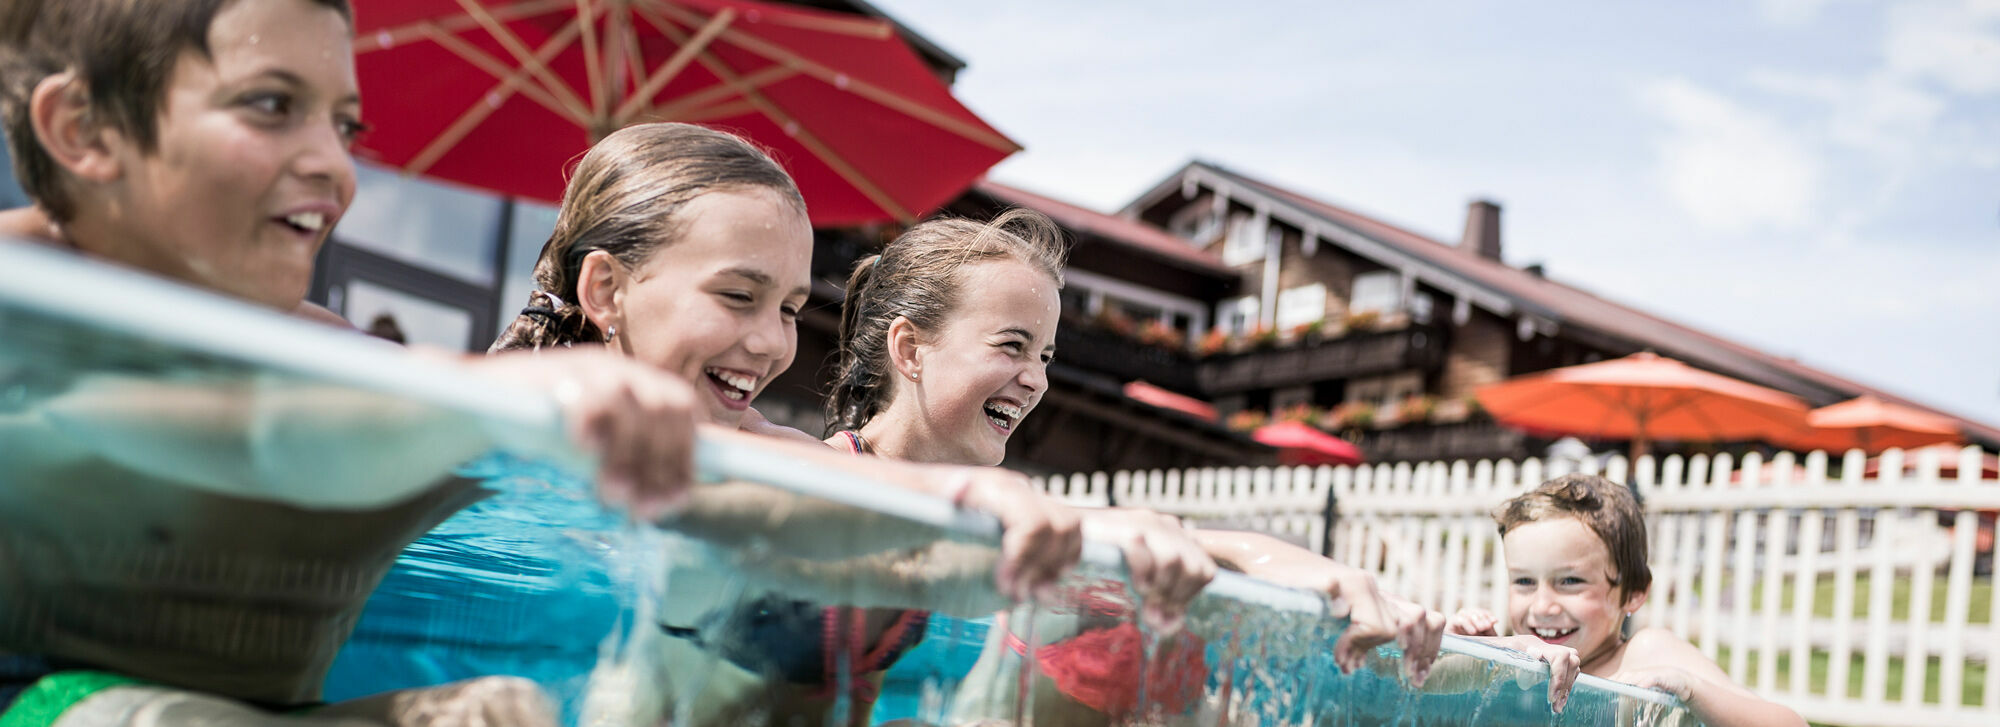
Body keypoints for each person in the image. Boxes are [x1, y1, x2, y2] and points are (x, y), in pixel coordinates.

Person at [329, 123, 1092, 727]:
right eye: (737, 296)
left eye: (790, 309)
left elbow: (900, 518)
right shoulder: (471, 425)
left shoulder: (770, 454)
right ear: (607, 288)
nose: (770, 342)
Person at [827, 210, 1445, 726]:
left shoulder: (1009, 518)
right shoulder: (810, 477)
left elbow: (1211, 547)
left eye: (1044, 355)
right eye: (1011, 346)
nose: (1036, 379)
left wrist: (1347, 585)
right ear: (910, 349)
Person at [1445, 474, 1806, 725]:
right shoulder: (1513, 657)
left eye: (1569, 581)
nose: (1542, 606)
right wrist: (1472, 658)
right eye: (1524, 581)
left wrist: (1690, 688)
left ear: (1633, 592)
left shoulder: (1642, 656)